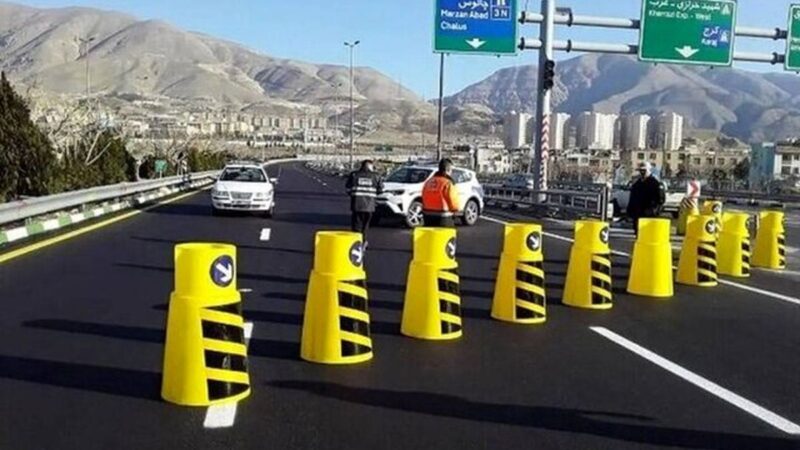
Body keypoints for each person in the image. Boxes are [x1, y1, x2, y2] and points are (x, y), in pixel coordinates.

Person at [346, 160, 382, 243]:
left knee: (356, 225)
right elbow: (380, 190)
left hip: (356, 204)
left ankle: (356, 242)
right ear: (370, 166)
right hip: (370, 206)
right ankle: (364, 240)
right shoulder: (376, 176)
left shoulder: (354, 175)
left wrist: (353, 194)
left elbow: (348, 188)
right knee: (365, 225)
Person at [627, 162, 665, 235]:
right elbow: (632, 198)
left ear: (649, 170)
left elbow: (660, 200)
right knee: (638, 234)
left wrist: (654, 210)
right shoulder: (637, 184)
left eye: (644, 170)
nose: (642, 172)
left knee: (647, 234)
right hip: (638, 214)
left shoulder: (655, 183)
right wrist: (630, 211)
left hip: (649, 215)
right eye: (640, 170)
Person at [422, 158, 460, 227]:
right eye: (451, 170)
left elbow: (423, 196)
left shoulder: (429, 182)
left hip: (427, 216)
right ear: (448, 170)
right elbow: (453, 201)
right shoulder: (447, 183)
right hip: (443, 217)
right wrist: (455, 210)